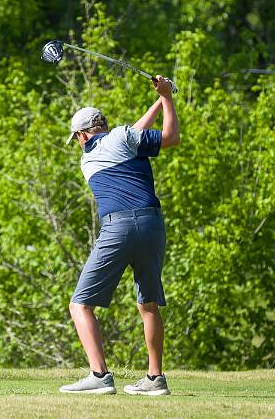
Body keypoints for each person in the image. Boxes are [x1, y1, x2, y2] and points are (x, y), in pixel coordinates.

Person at [59, 75, 179, 396]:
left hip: (118, 227)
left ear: (84, 134)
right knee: (148, 304)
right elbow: (169, 137)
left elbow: (135, 134)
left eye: (78, 137)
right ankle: (156, 379)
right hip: (153, 225)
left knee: (80, 305)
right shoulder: (125, 138)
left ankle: (99, 375)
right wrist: (165, 98)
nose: (78, 144)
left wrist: (162, 97)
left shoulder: (88, 159)